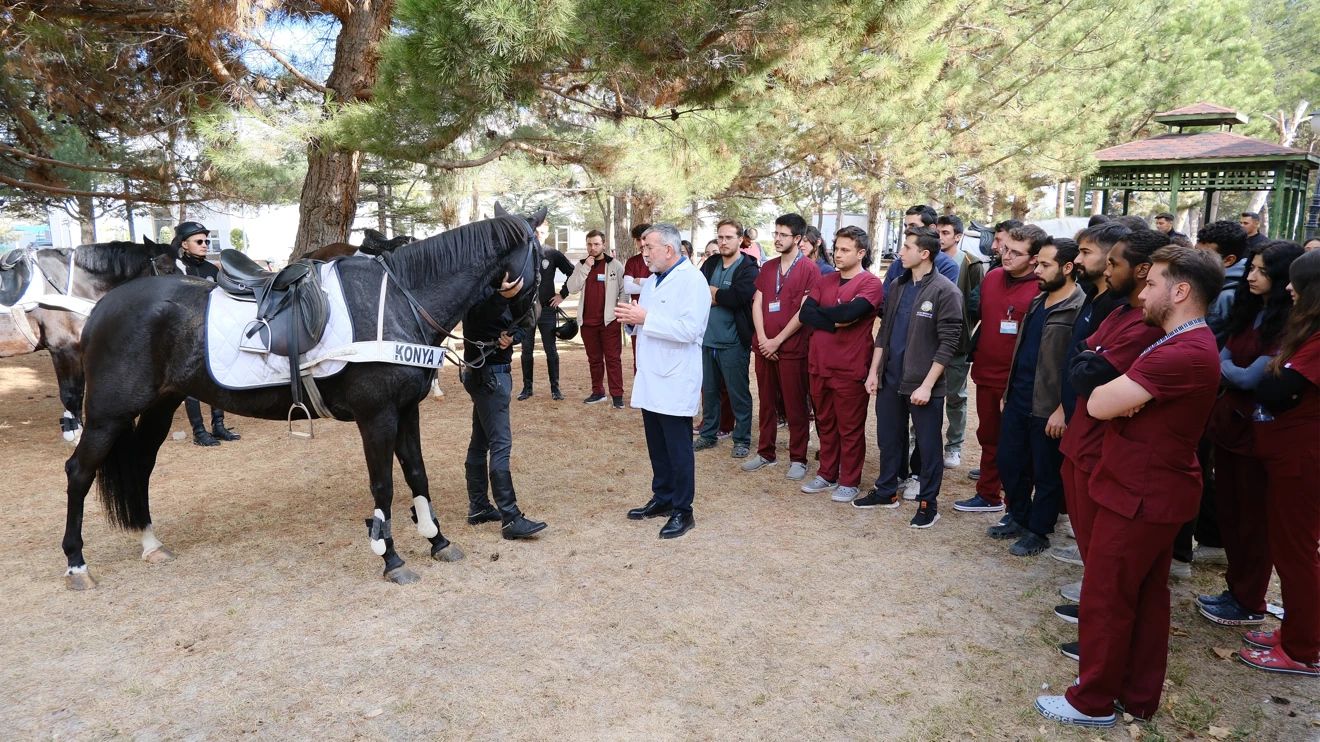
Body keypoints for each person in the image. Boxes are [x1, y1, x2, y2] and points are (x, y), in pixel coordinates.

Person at [1036, 245, 1223, 729]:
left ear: (1180, 291)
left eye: (1154, 283)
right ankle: (1137, 696)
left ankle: (1092, 700)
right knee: (1141, 595)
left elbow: (1097, 403)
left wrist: (1115, 395)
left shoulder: (1182, 350)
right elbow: (1104, 391)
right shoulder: (1178, 341)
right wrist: (1119, 395)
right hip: (1149, 487)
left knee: (1107, 596)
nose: (1143, 292)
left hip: (1141, 492)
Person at [1198, 240, 1304, 626]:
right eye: (1252, 268)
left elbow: (1245, 375)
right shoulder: (1248, 312)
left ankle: (1250, 600)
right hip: (1228, 426)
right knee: (1230, 513)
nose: (1251, 276)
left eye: (1262, 271)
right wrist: (1226, 368)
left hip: (1257, 435)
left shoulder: (1290, 323)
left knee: (1252, 522)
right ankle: (1236, 591)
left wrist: (1223, 368)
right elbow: (1227, 361)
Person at [1240, 249, 1320, 676]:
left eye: (1296, 282)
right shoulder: (1307, 330)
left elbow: (1276, 388)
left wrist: (1267, 374)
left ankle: (1304, 649)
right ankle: (1297, 630)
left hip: (1302, 457)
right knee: (1290, 549)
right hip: (1287, 452)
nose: (1288, 288)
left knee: (1297, 553)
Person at [858, 226, 961, 527]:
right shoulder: (899, 287)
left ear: (924, 253)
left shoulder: (945, 290)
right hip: (891, 378)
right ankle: (886, 491)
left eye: (906, 247)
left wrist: (928, 386)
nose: (900, 253)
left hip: (923, 384)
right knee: (889, 439)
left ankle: (928, 503)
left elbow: (949, 344)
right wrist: (874, 372)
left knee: (929, 448)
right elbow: (884, 333)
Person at [1050, 223, 1133, 587]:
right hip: (1078, 411)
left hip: (1095, 419)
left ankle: (1096, 578)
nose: (1078, 260)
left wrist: (1086, 360)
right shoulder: (1099, 299)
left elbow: (1092, 370)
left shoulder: (1117, 305)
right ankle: (1091, 567)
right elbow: (1083, 355)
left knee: (1093, 501)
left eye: (1086, 253)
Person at [993, 233, 1085, 556]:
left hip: (1049, 406)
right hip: (1018, 398)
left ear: (1069, 267)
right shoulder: (1037, 300)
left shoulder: (1080, 308)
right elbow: (1023, 350)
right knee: (1008, 462)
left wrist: (1063, 407)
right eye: (1038, 263)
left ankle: (1039, 530)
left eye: (1045, 265)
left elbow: (1075, 364)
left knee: (1047, 473)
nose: (1038, 271)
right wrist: (1008, 391)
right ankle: (1019, 516)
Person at [618, 224, 711, 539]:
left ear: (669, 250)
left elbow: (691, 330)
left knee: (678, 448)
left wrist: (645, 319)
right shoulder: (653, 282)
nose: (644, 254)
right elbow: (643, 321)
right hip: (651, 376)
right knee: (657, 446)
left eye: (649, 248)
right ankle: (663, 497)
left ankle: (683, 511)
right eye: (643, 248)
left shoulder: (693, 281)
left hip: (675, 378)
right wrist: (632, 321)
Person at [954, 224, 1039, 513]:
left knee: (1017, 445)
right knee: (988, 437)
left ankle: (1017, 507)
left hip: (1019, 382)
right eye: (1005, 248)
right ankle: (987, 494)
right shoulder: (991, 278)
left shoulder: (1041, 288)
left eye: (1017, 252)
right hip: (986, 373)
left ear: (1034, 258)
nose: (1006, 255)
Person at [798, 226, 884, 503]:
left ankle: (849, 480)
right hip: (819, 364)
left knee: (850, 427)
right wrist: (837, 321)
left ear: (861, 253)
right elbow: (806, 314)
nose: (838, 254)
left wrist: (832, 316)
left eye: (845, 250)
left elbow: (851, 312)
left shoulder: (870, 283)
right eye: (836, 249)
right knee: (825, 423)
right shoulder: (826, 280)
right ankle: (827, 473)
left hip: (850, 367)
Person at [460, 272, 547, 539]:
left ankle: (479, 508)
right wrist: (503, 296)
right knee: (500, 444)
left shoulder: (504, 290)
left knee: (480, 441)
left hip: (491, 375)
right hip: (488, 377)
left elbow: (523, 320)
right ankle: (510, 518)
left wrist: (514, 337)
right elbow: (477, 320)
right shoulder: (476, 289)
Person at [742, 213, 822, 480]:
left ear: (798, 238)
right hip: (764, 347)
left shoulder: (810, 269)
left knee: (795, 405)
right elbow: (758, 303)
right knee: (766, 402)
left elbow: (803, 311)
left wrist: (778, 340)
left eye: (783, 234)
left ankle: (798, 458)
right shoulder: (767, 267)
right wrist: (764, 338)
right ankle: (766, 453)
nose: (776, 239)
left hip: (793, 349)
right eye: (775, 233)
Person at [694, 219, 759, 458]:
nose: (723, 242)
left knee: (738, 393)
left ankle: (741, 439)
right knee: (709, 392)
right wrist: (721, 295)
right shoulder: (710, 263)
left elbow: (739, 297)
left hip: (733, 342)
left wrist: (715, 294)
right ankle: (708, 435)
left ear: (740, 240)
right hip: (707, 339)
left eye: (728, 237)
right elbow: (697, 291)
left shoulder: (749, 267)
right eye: (720, 237)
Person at [172, 221, 240, 447]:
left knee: (215, 378)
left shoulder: (212, 269)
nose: (204, 245)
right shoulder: (178, 268)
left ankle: (218, 426)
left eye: (206, 241)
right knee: (192, 384)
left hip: (212, 332)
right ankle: (199, 432)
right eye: (198, 241)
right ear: (184, 244)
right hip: (187, 334)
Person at [935, 214, 986, 469]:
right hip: (929, 340)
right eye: (938, 232)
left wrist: (966, 330)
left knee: (956, 396)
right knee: (922, 392)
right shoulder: (927, 260)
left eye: (946, 233)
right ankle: (915, 439)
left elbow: (978, 304)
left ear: (957, 236)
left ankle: (953, 446)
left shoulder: (972, 263)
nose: (941, 238)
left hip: (957, 342)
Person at [566, 229, 627, 408]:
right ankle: (598, 392)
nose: (593, 248)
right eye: (590, 244)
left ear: (604, 245)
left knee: (613, 359)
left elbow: (624, 291)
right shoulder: (581, 264)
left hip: (609, 322)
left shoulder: (615, 265)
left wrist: (620, 313)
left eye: (596, 244)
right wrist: (586, 267)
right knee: (594, 360)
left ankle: (617, 396)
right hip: (588, 323)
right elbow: (572, 288)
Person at [518, 222, 575, 401]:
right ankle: (527, 388)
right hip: (526, 310)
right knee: (526, 350)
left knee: (551, 349)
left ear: (547, 233)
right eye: (536, 232)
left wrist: (562, 295)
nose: (538, 235)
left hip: (548, 309)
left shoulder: (552, 253)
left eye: (542, 232)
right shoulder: (522, 252)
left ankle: (555, 388)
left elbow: (572, 273)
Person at [1197, 220, 1250, 340]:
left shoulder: (1224, 298)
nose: (1194, 259)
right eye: (1195, 252)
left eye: (1204, 255)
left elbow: (1205, 341)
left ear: (1228, 260)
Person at [621, 223, 653, 371]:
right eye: (637, 240)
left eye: (643, 239)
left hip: (656, 315)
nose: (641, 244)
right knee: (638, 360)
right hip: (636, 318)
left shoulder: (661, 260)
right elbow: (628, 287)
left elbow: (663, 285)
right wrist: (653, 284)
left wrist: (640, 281)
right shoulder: (632, 262)